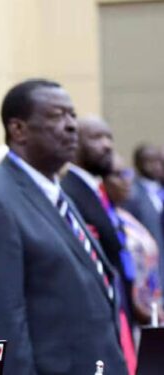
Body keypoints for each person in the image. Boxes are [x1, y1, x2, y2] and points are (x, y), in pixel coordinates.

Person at [0, 79, 127, 374]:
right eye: (57, 116)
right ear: (18, 129)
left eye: (72, 115)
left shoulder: (56, 194)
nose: (72, 125)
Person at [60, 117, 136, 372]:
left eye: (109, 138)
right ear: (74, 144)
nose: (107, 145)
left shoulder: (94, 189)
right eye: (96, 138)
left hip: (117, 304)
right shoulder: (68, 190)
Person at [104, 153, 164, 326]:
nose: (127, 180)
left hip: (150, 304)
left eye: (127, 173)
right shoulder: (103, 220)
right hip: (127, 310)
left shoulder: (125, 217)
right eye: (118, 175)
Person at [124, 144, 164, 283]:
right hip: (149, 267)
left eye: (158, 161)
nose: (156, 166)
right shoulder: (131, 193)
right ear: (138, 164)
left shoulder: (160, 189)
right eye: (149, 161)